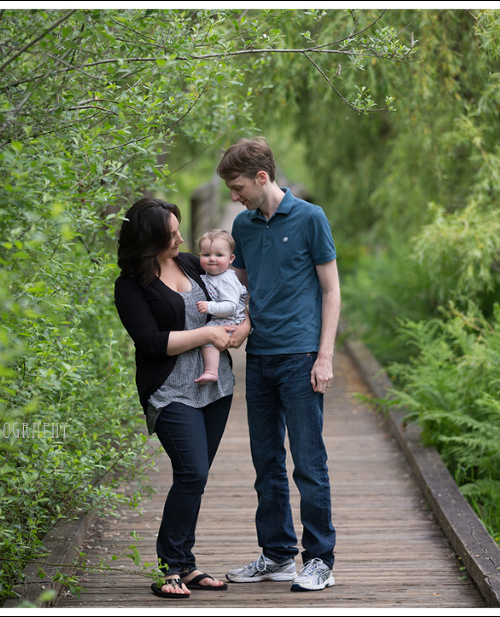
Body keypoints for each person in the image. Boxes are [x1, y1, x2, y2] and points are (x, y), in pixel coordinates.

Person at [218, 137, 341, 592]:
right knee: (265, 462)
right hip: (260, 359)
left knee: (309, 462)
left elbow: (331, 290)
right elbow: (244, 294)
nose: (234, 196)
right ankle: (277, 556)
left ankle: (321, 560)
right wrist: (240, 329)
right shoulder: (243, 226)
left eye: (238, 186)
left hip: (302, 357)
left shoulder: (311, 218)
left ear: (262, 177)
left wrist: (325, 355)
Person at [114, 197, 249, 598]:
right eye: (172, 234)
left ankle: (186, 565)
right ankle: (169, 567)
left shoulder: (191, 263)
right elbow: (152, 342)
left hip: (215, 387)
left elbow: (237, 291)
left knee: (196, 478)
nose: (181, 238)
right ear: (150, 239)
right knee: (192, 472)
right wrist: (206, 335)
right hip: (171, 390)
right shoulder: (131, 286)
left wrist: (244, 326)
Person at [194, 229, 248, 384]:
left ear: (231, 258)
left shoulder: (226, 279)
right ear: (199, 256)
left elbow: (231, 306)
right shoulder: (211, 275)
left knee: (207, 336)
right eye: (206, 254)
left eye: (219, 255)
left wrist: (210, 307)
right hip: (223, 315)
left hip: (230, 318)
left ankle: (211, 371)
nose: (212, 259)